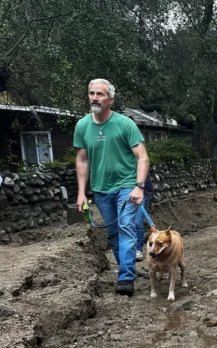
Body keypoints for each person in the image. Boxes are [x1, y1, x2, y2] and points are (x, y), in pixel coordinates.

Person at [74, 78, 149, 296]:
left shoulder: (125, 124)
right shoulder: (82, 126)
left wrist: (139, 186)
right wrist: (81, 193)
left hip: (126, 185)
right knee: (113, 234)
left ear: (111, 100)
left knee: (126, 227)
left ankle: (125, 278)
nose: (94, 98)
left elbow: (142, 157)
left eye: (100, 94)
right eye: (91, 93)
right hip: (100, 189)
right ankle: (127, 270)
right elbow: (82, 160)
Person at [134, 173, 154, 261]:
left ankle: (138, 249)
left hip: (140, 195)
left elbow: (147, 182)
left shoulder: (140, 164)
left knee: (138, 222)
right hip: (123, 195)